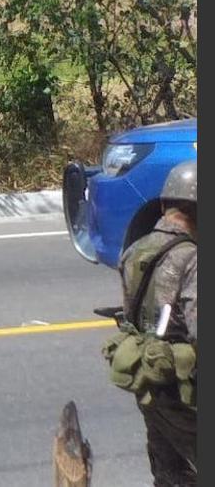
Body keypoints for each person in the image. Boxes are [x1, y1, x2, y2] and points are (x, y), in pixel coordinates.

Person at [115, 159, 197, 486]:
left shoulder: (134, 250)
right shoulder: (192, 257)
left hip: (148, 381)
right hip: (184, 390)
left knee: (169, 474)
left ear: (164, 205)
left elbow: (130, 315)